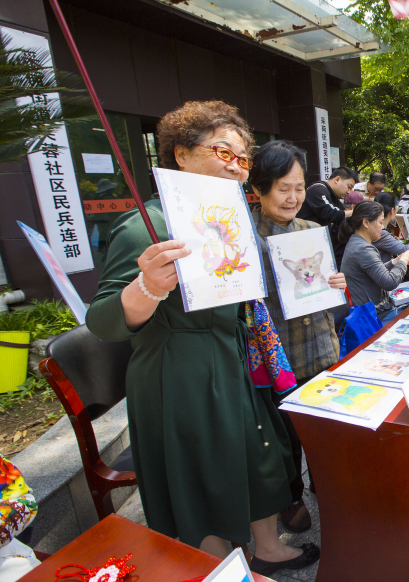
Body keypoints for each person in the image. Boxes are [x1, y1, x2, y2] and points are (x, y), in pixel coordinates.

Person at [85, 101, 318, 574]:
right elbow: (102, 321)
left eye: (243, 158)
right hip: (180, 372)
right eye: (223, 152)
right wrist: (148, 285)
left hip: (236, 356)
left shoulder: (228, 217)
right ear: (182, 154)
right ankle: (218, 566)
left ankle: (266, 547)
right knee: (200, 475)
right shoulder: (143, 225)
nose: (236, 165)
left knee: (261, 453)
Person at [247, 140, 348, 535]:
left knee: (322, 429)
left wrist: (336, 283)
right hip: (280, 356)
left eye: (299, 187)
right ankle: (290, 496)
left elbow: (327, 288)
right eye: (282, 188)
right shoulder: (245, 238)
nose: (292, 197)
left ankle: (322, 483)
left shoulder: (311, 230)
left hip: (321, 347)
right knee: (284, 438)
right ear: (259, 189)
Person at [340, 201, 409, 324]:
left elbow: (375, 270)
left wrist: (395, 261)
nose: (383, 227)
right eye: (380, 222)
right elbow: (389, 282)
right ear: (366, 222)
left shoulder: (356, 242)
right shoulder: (363, 249)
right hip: (375, 316)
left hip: (370, 312)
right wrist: (404, 259)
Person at [297, 166, 358, 267]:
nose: (349, 191)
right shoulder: (318, 190)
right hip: (303, 244)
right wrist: (356, 211)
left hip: (315, 245)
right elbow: (333, 214)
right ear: (337, 179)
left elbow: (344, 217)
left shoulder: (333, 197)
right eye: (349, 186)